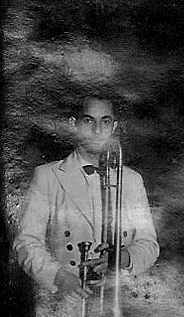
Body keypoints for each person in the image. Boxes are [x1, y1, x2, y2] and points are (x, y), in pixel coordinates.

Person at [15, 96, 159, 297]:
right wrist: (57, 276)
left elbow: (149, 245)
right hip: (65, 298)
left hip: (118, 296)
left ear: (114, 127)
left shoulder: (131, 180)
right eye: (89, 120)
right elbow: (27, 242)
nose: (98, 130)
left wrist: (121, 257)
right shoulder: (48, 176)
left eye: (105, 122)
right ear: (74, 124)